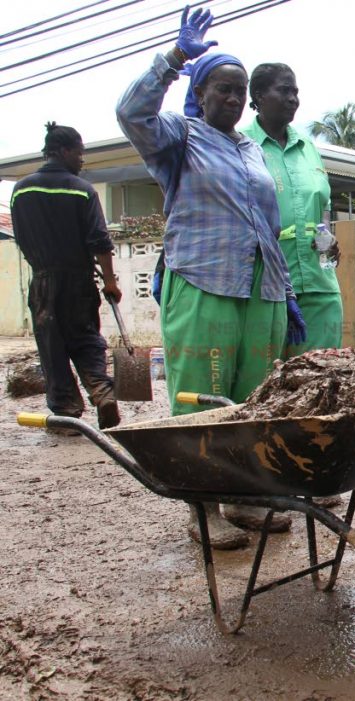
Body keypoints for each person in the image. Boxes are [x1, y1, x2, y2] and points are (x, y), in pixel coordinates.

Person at [116, 7, 306, 549]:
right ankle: (202, 511)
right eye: (223, 88)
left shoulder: (250, 149)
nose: (234, 98)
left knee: (251, 401)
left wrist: (286, 293)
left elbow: (268, 227)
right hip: (204, 283)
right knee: (202, 399)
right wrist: (176, 58)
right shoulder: (180, 138)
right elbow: (130, 112)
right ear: (200, 93)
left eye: (241, 90)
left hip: (261, 290)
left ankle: (243, 498)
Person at [10, 123, 122, 432]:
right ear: (63, 151)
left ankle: (66, 412)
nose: (82, 159)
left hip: (42, 280)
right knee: (87, 340)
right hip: (79, 282)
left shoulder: (21, 190)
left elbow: (21, 236)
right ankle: (102, 390)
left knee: (52, 346)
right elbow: (100, 241)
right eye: (80, 152)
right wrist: (110, 282)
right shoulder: (80, 189)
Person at [241, 63, 342, 358]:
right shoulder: (240, 144)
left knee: (322, 377)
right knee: (265, 383)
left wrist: (327, 234)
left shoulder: (307, 146)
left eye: (296, 92)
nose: (293, 98)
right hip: (265, 287)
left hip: (319, 282)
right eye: (284, 90)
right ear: (258, 95)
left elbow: (323, 203)